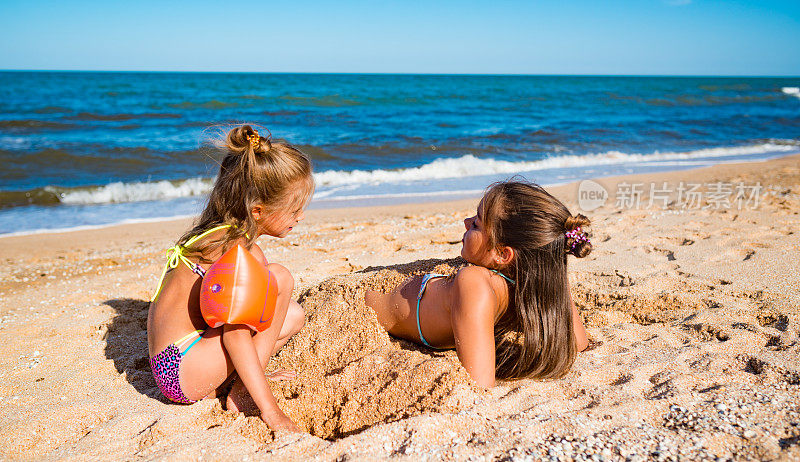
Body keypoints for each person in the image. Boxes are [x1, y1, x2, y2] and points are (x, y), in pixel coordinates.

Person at [147, 124, 314, 431]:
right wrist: (271, 410)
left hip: (174, 363)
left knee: (292, 314)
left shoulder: (221, 234)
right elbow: (235, 334)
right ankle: (241, 391)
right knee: (280, 278)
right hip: (180, 369)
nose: (300, 217)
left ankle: (239, 381)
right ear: (259, 210)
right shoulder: (235, 253)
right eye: (295, 209)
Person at [365, 180, 590, 388]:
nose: (466, 222)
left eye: (476, 224)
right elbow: (579, 342)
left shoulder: (474, 283)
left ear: (503, 254)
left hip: (360, 307)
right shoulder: (538, 280)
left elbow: (480, 383)